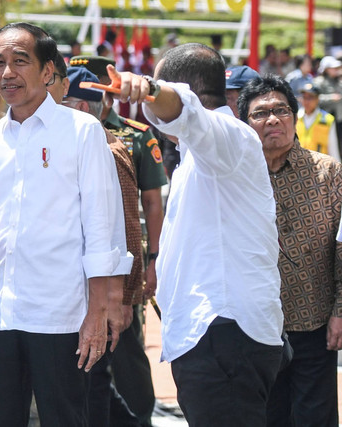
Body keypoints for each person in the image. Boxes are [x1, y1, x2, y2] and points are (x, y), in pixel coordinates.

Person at [0, 22, 128, 426]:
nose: (7, 73)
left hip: (59, 315)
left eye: (20, 61)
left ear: (49, 71)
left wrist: (98, 313)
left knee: (65, 418)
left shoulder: (83, 131)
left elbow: (103, 227)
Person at [111, 43, 284, 426]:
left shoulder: (229, 137)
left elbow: (188, 113)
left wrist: (152, 90)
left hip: (223, 332)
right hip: (213, 335)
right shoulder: (198, 155)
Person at [238, 74, 342, 427]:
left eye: (281, 110)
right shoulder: (235, 177)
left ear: (294, 116)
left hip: (314, 322)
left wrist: (341, 310)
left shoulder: (330, 174)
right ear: (245, 124)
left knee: (316, 417)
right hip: (253, 329)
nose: (272, 119)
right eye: (260, 113)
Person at [69, 54, 166, 427]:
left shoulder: (129, 136)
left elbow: (149, 205)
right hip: (77, 273)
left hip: (122, 267)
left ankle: (138, 416)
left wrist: (153, 258)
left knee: (124, 349)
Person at [296, 82, 340, 160]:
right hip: (299, 165)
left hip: (320, 166)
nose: (306, 101)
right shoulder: (295, 118)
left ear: (317, 99)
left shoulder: (327, 119)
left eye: (310, 98)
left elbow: (333, 148)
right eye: (304, 97)